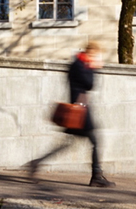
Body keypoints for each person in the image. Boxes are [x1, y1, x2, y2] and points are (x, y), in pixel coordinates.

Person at [26, 41, 115, 188]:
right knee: (95, 141)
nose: (96, 58)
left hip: (80, 110)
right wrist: (94, 68)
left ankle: (36, 163)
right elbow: (89, 84)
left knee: (70, 143)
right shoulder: (79, 66)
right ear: (90, 52)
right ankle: (96, 177)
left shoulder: (79, 64)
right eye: (95, 55)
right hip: (80, 112)